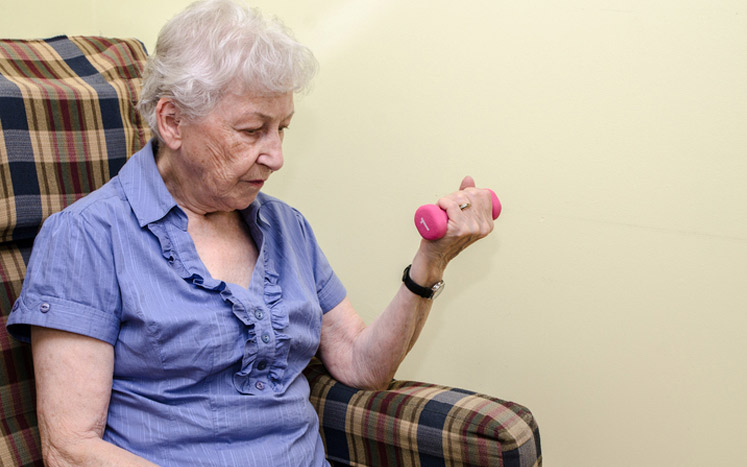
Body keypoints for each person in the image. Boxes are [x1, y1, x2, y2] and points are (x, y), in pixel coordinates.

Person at [6, 0, 496, 465]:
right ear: (172, 122)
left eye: (282, 128)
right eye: (251, 130)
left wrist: (431, 261)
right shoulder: (86, 237)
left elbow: (360, 365)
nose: (276, 156)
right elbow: (71, 448)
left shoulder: (285, 226)